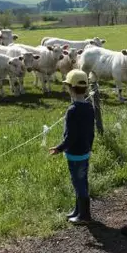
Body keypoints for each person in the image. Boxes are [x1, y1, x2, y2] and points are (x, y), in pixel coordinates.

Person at [49, 69, 95, 225]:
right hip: (85, 151)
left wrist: (59, 148)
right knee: (82, 181)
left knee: (78, 182)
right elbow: (91, 131)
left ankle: (84, 216)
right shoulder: (89, 107)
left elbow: (71, 135)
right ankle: (78, 210)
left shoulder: (72, 110)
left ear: (70, 88)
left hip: (75, 153)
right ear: (86, 88)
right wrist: (89, 146)